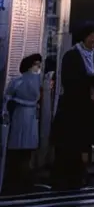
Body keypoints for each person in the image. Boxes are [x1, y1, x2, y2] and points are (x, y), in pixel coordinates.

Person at [50, 26, 94, 189]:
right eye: (92, 38)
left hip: (88, 108)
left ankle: (79, 177)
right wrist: (88, 84)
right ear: (84, 37)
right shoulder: (72, 55)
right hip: (73, 107)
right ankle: (63, 178)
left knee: (84, 144)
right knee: (69, 144)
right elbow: (70, 79)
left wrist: (92, 85)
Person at [3, 53, 43, 194]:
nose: (38, 67)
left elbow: (8, 96)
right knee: (20, 147)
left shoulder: (36, 81)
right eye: (36, 63)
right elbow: (8, 97)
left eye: (39, 64)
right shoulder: (21, 81)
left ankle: (20, 179)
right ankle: (18, 179)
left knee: (24, 148)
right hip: (22, 115)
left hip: (28, 115)